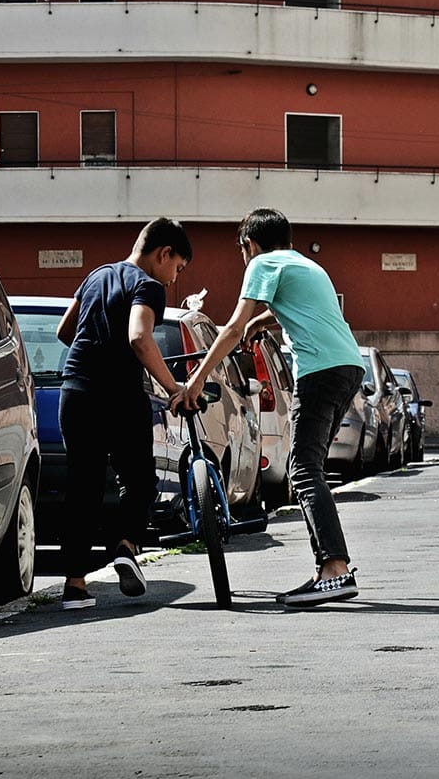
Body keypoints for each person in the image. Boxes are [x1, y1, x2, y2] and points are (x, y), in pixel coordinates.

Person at [173, 208, 363, 608]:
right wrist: (265, 321)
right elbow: (294, 310)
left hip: (320, 371)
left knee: (303, 469)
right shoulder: (307, 265)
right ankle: (327, 568)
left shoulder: (262, 262)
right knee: (309, 466)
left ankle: (335, 569)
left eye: (243, 251)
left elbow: (232, 328)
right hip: (348, 367)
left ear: (250, 244)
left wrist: (196, 380)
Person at [55, 218, 192, 610]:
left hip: (76, 389)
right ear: (163, 253)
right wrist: (173, 387)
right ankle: (125, 545)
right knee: (140, 479)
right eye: (177, 268)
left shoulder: (97, 276)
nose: (173, 279)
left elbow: (66, 330)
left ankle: (75, 587)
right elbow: (138, 336)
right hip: (119, 396)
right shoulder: (147, 285)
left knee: (83, 486)